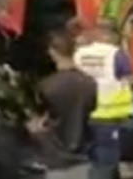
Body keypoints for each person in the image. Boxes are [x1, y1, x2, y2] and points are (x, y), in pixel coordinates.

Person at [74, 18, 133, 179]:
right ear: (111, 35)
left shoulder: (81, 53)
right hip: (108, 119)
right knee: (104, 168)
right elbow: (131, 79)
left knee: (106, 165)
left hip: (85, 118)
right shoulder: (115, 54)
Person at [28, 27, 98, 169]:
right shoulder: (92, 84)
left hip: (53, 157)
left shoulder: (46, 86)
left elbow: (37, 124)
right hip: (86, 157)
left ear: (52, 52)